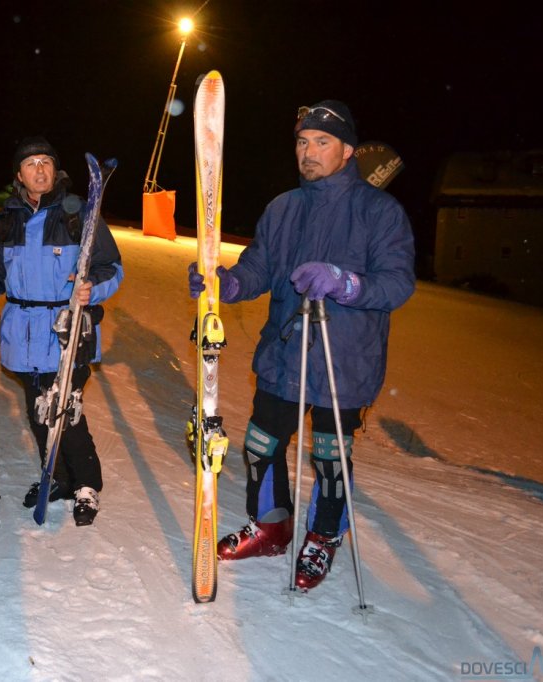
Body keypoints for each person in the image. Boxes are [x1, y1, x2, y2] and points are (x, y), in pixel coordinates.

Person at [188, 100, 415, 590]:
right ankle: (271, 527)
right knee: (260, 445)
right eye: (302, 141)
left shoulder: (380, 212)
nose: (308, 152)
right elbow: (259, 268)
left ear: (349, 151)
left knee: (332, 455)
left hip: (344, 357)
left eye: (322, 142)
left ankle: (324, 536)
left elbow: (397, 284)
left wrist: (345, 282)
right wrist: (226, 284)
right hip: (287, 349)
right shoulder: (283, 207)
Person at [0, 137, 123, 526]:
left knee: (67, 412)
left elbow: (112, 267)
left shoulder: (77, 215)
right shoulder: (6, 220)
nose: (40, 169)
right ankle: (59, 477)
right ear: (19, 175)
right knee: (38, 412)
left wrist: (91, 288)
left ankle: (87, 485)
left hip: (66, 331)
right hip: (22, 334)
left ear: (55, 169)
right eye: (31, 164)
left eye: (46, 162)